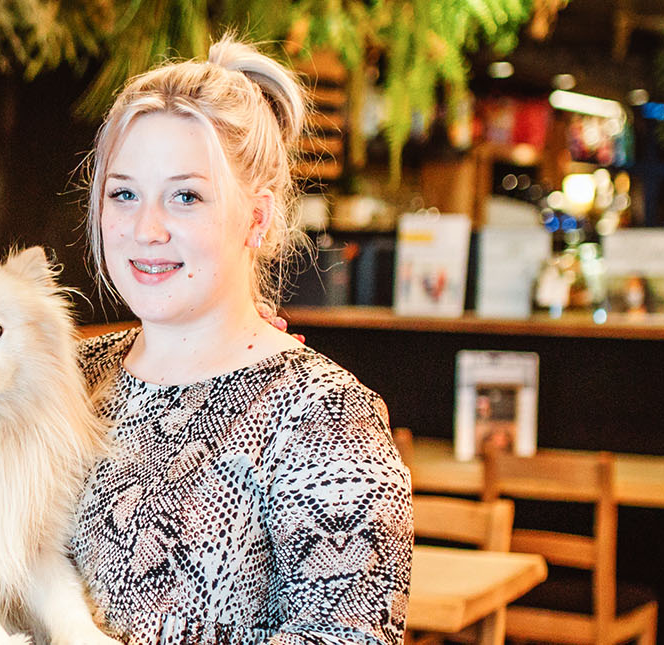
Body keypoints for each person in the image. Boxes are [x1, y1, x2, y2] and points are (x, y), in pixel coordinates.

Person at [71, 37, 412, 643]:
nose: (146, 229)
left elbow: (349, 636)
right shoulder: (70, 376)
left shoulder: (324, 414)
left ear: (256, 218)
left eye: (186, 196)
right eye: (124, 193)